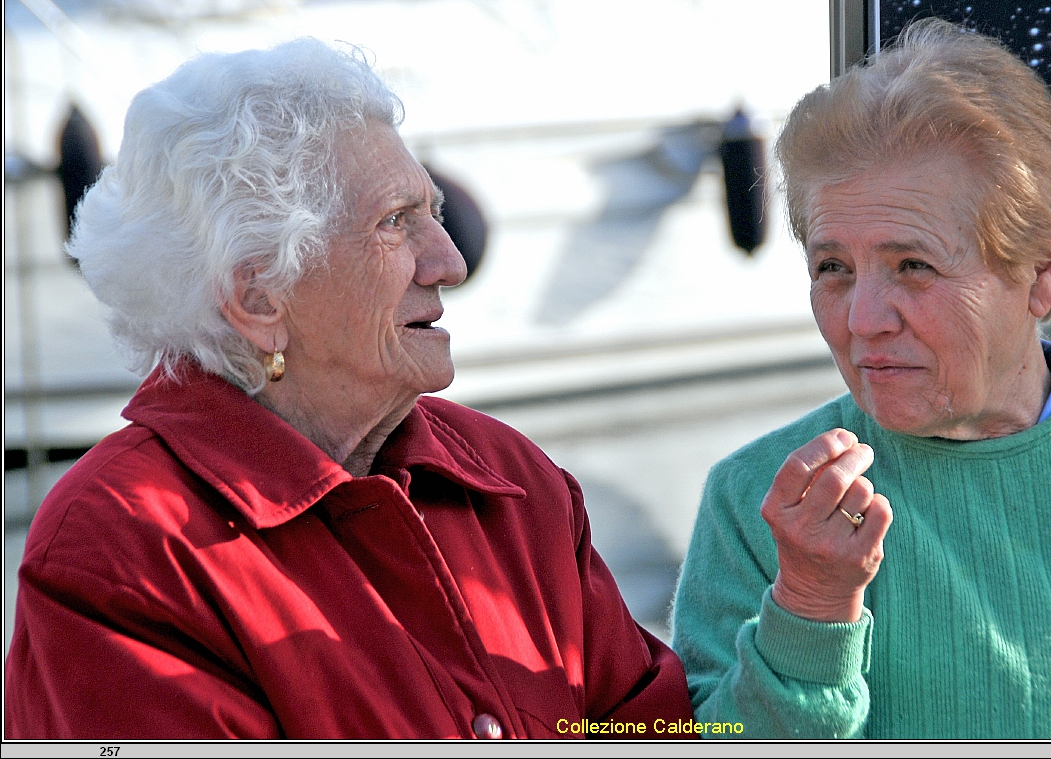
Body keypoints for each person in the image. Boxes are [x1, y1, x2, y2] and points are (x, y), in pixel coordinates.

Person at [5, 39, 694, 739]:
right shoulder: (121, 552)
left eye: (435, 213)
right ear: (260, 297)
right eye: (396, 222)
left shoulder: (512, 483)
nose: (449, 263)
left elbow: (651, 732)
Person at [672, 18, 1051, 739]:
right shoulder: (760, 505)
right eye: (832, 268)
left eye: (915, 266)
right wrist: (809, 607)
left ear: (1041, 274)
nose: (864, 318)